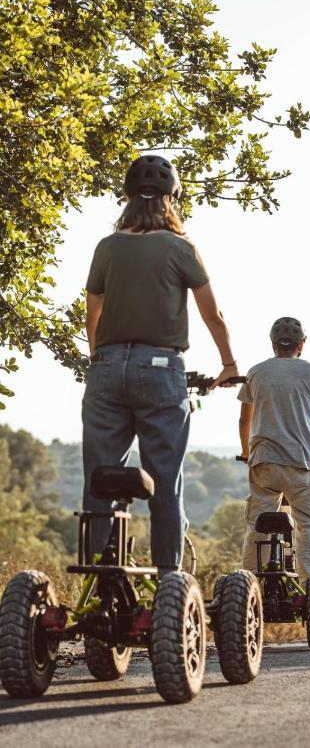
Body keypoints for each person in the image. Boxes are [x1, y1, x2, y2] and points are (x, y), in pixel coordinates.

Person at [83, 154, 238, 572]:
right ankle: (168, 580)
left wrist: (102, 361)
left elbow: (92, 316)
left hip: (107, 369)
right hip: (160, 369)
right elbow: (212, 315)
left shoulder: (107, 247)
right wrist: (228, 364)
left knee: (98, 478)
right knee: (165, 482)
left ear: (127, 198)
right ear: (173, 197)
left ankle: (97, 578)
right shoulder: (180, 247)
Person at [238, 317, 310, 582]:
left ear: (272, 344)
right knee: (307, 524)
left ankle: (251, 585)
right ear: (301, 345)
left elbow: (245, 419)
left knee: (257, 523)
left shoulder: (255, 372)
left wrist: (247, 452)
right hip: (300, 462)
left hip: (263, 461)